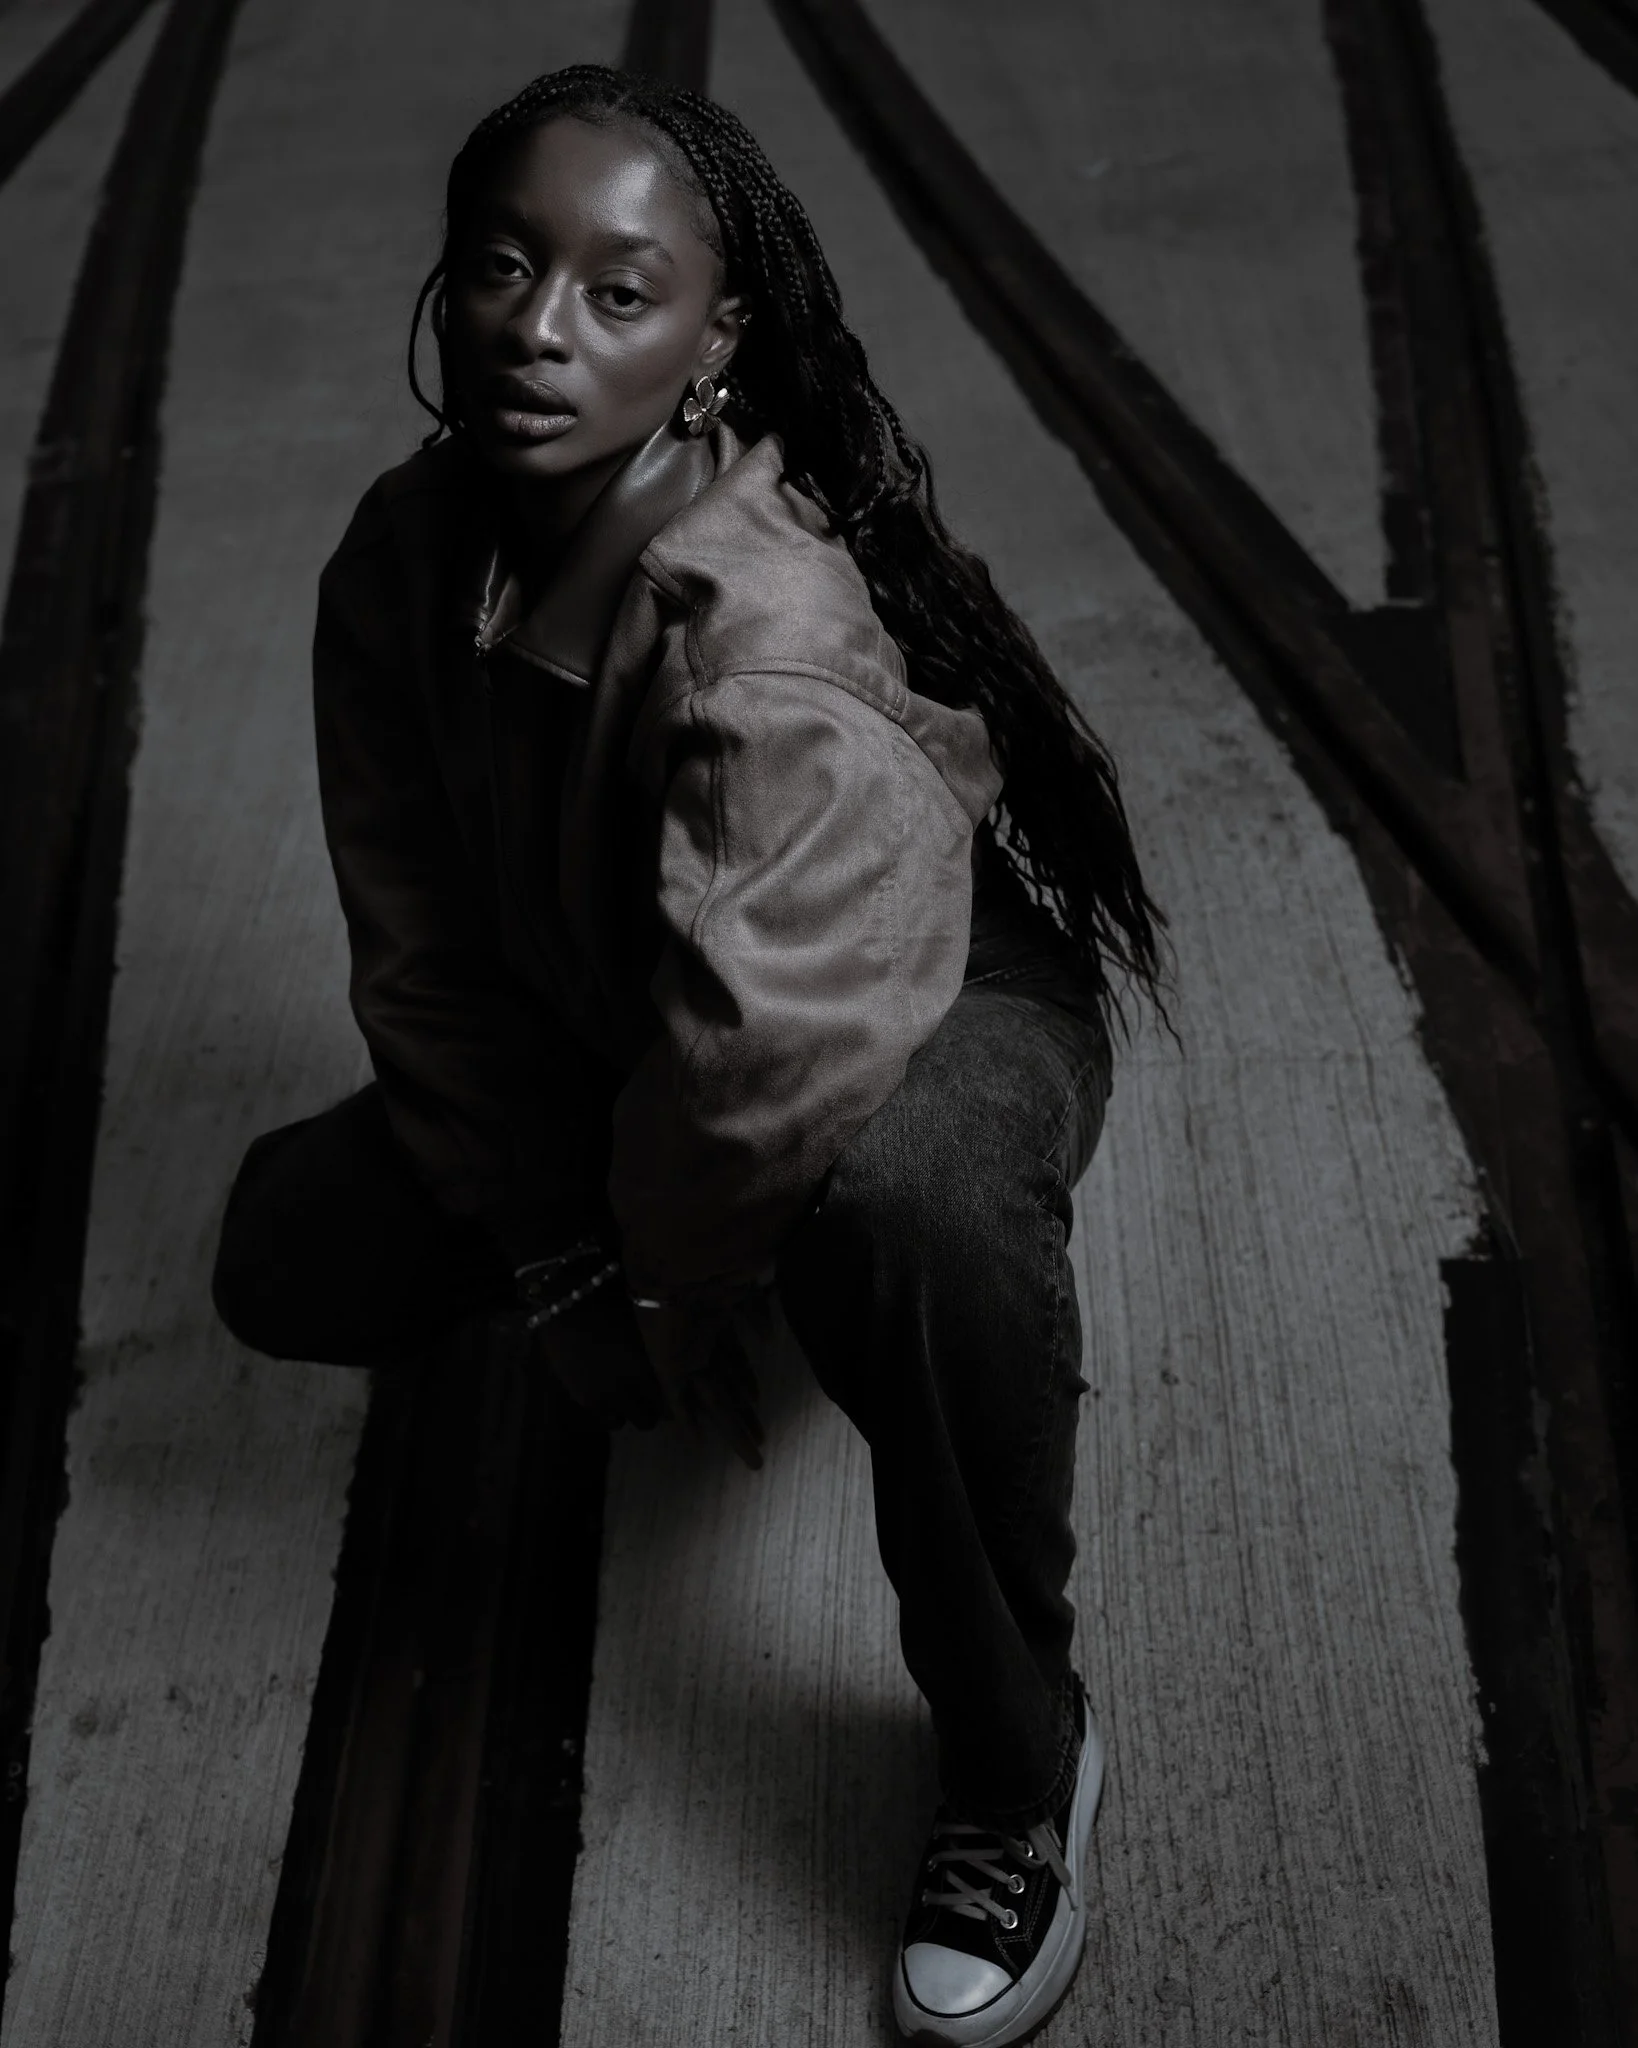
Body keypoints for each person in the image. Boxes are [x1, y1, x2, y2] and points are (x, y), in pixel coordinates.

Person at [211, 62, 1165, 2048]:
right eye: (502, 267)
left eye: (618, 290)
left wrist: (653, 1286)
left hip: (908, 1005)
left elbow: (765, 1063)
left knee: (906, 1216)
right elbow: (423, 949)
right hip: (638, 999)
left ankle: (1018, 1765)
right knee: (289, 1255)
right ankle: (720, 1266)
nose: (539, 329)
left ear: (715, 340)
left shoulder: (769, 639)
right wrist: (557, 1250)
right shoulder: (404, 555)